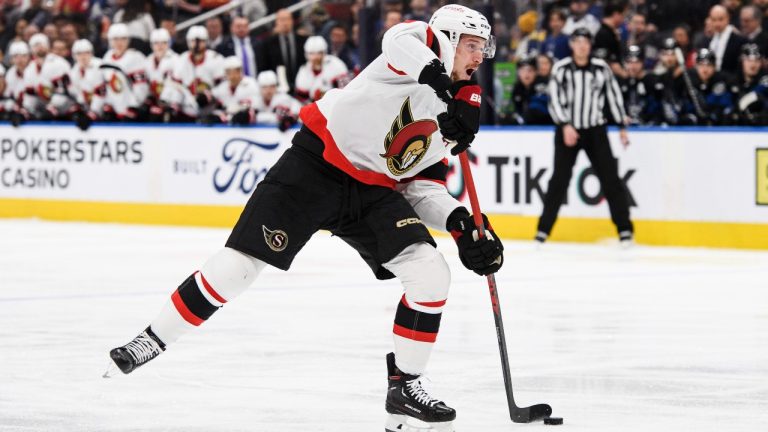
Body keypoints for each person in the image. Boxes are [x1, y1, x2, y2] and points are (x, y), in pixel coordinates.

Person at [106, 5, 502, 432]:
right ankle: (153, 338)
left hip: (373, 190)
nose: (479, 56)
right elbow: (398, 41)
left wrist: (462, 224)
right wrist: (439, 79)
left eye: (484, 48)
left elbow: (421, 185)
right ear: (447, 38)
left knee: (430, 273)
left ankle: (404, 387)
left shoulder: (459, 115)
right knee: (238, 268)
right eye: (472, 45)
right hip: (315, 164)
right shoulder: (419, 45)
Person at [536, 28, 633, 245]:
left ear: (590, 46)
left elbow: (613, 96)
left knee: (611, 179)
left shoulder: (601, 68)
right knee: (559, 181)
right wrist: (565, 125)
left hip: (595, 130)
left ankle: (625, 230)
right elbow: (555, 101)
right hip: (567, 131)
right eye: (578, 41)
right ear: (572, 45)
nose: (581, 46)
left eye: (585, 42)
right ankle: (543, 231)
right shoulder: (561, 69)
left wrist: (621, 125)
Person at [159, 25, 224, 121]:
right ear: (188, 42)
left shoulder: (216, 59)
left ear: (206, 42)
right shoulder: (181, 60)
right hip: (186, 112)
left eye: (200, 41)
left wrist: (210, 95)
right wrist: (172, 103)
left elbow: (224, 86)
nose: (196, 45)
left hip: (210, 112)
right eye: (193, 41)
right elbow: (175, 86)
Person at [18, 33, 72, 123]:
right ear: (31, 49)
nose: (40, 47)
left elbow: (64, 92)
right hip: (43, 110)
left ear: (47, 46)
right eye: (36, 45)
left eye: (42, 44)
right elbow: (30, 95)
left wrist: (51, 108)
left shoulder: (59, 63)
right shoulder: (29, 69)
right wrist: (26, 111)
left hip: (65, 110)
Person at [100, 23, 149, 121]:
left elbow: (141, 87)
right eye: (116, 39)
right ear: (110, 40)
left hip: (132, 112)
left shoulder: (136, 57)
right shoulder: (107, 57)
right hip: (114, 111)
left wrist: (134, 107)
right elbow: (107, 85)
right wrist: (108, 104)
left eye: (123, 39)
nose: (119, 42)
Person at [679, 48, 735, 125]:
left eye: (709, 65)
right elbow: (684, 108)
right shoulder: (689, 82)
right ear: (696, 66)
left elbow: (725, 106)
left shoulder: (722, 81)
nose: (705, 70)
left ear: (714, 67)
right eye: (701, 65)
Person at [261, 9, 307, 92]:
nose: (285, 23)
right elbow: (266, 66)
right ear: (276, 22)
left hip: (302, 85)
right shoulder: (268, 43)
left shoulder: (303, 40)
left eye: (287, 19)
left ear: (292, 21)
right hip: (278, 89)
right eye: (282, 20)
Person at [294, 35, 349, 103]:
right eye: (312, 54)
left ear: (324, 52)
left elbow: (346, 91)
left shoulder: (336, 64)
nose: (316, 57)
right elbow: (301, 98)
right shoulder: (304, 70)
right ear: (307, 54)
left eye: (319, 53)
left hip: (335, 104)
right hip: (314, 107)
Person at [206, 56, 260, 125]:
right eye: (229, 73)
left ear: (241, 71)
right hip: (227, 122)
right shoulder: (222, 87)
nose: (233, 76)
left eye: (235, 72)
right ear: (225, 73)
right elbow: (212, 96)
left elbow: (256, 107)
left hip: (248, 124)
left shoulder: (251, 84)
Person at [68, 39, 106, 131]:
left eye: (86, 53)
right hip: (89, 109)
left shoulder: (100, 66)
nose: (83, 57)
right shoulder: (74, 72)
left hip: (105, 110)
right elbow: (77, 94)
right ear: (74, 56)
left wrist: (92, 114)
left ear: (92, 53)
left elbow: (102, 94)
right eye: (79, 54)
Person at [619, 45, 661, 125]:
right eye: (630, 62)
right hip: (627, 127)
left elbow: (658, 107)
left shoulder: (651, 81)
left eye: (637, 62)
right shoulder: (622, 82)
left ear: (643, 62)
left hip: (650, 128)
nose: (633, 66)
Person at [144, 28, 177, 121]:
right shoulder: (147, 61)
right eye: (156, 43)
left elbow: (176, 85)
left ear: (169, 43)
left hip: (172, 104)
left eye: (163, 43)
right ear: (151, 45)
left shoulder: (176, 60)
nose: (160, 46)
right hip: (154, 103)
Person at [732, 43, 768, 124]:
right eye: (749, 60)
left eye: (756, 60)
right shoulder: (733, 82)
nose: (753, 64)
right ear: (742, 61)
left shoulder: (765, 83)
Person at [511, 56, 552, 125]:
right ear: (518, 72)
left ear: (536, 72)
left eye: (530, 70)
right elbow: (517, 110)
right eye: (522, 70)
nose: (526, 74)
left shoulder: (543, 86)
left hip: (545, 128)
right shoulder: (517, 88)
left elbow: (537, 112)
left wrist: (521, 119)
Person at [708, 4, 747, 74]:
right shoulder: (709, 39)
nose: (717, 23)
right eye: (714, 20)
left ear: (728, 18)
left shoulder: (739, 40)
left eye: (720, 19)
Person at [593, 1, 627, 77]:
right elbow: (606, 59)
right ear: (616, 15)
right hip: (607, 75)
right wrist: (623, 74)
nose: (623, 19)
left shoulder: (612, 32)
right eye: (622, 15)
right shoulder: (603, 34)